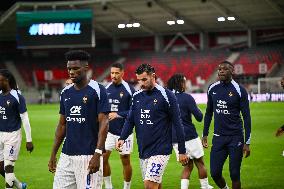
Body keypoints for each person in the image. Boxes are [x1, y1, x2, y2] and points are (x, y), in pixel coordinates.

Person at [116, 64, 188, 189]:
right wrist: (122, 137)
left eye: (144, 79)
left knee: (149, 186)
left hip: (161, 149)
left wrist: (182, 150)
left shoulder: (167, 96)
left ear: (153, 76)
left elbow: (177, 123)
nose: (141, 83)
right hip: (144, 149)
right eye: (139, 80)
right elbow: (130, 120)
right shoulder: (137, 96)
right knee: (155, 185)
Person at [48, 50, 110, 189]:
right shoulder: (65, 92)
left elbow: (104, 123)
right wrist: (53, 154)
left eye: (75, 68)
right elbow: (62, 125)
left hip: (88, 156)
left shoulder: (98, 90)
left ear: (86, 68)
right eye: (69, 68)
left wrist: (98, 153)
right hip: (66, 155)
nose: (71, 72)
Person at [202, 61, 251, 189]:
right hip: (218, 138)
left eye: (225, 69)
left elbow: (246, 117)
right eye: (219, 69)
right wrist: (205, 134)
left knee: (234, 174)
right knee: (215, 173)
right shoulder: (212, 88)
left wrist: (247, 142)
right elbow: (208, 112)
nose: (221, 71)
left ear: (232, 71)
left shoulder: (240, 90)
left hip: (236, 137)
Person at [167, 73, 213, 189]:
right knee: (200, 163)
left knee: (187, 167)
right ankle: (205, 187)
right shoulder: (187, 97)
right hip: (189, 135)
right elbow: (199, 117)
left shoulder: (166, 98)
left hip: (175, 138)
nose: (186, 84)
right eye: (184, 81)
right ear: (180, 83)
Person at [0, 69, 34, 189]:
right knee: (1, 167)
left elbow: (25, 119)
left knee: (8, 167)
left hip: (12, 135)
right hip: (0, 135)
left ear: (6, 80)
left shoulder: (17, 97)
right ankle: (20, 186)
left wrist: (29, 140)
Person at [103, 63, 135, 189]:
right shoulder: (106, 89)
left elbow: (134, 111)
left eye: (116, 73)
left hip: (125, 132)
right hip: (109, 132)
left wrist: (118, 114)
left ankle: (126, 187)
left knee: (125, 159)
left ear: (122, 73)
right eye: (112, 73)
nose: (114, 75)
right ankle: (108, 186)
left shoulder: (129, 89)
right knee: (103, 158)